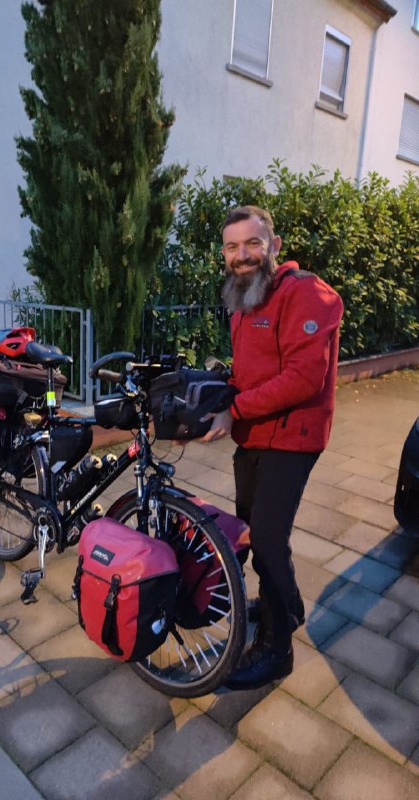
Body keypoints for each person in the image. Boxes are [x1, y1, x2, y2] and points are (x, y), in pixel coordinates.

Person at [201, 205, 343, 690]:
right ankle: (283, 602)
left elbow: (305, 379)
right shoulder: (244, 297)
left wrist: (234, 410)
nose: (242, 255)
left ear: (274, 246)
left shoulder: (306, 293)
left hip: (294, 436)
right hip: (256, 434)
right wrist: (218, 392)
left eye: (252, 243)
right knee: (252, 530)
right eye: (232, 247)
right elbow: (250, 373)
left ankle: (277, 647)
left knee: (265, 537)